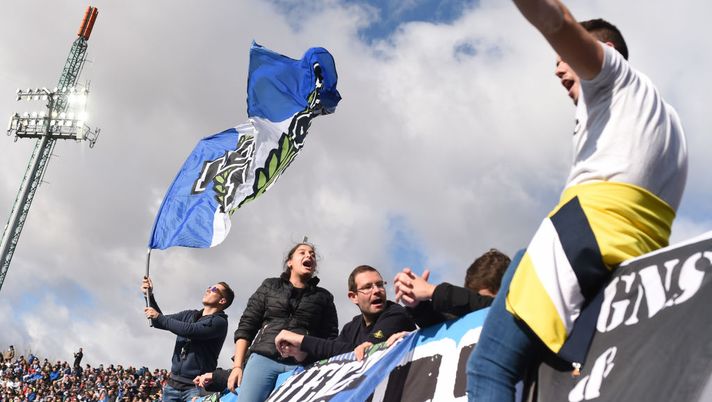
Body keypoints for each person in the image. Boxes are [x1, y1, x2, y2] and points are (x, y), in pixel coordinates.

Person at [468, 1, 688, 400]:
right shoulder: (668, 124)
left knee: (488, 368)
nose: (557, 68)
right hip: (636, 260)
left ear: (606, 52)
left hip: (581, 238)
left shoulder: (616, 77)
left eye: (564, 57)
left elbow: (557, 20)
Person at [225, 242, 338, 402]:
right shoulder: (270, 286)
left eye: (312, 254)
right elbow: (247, 325)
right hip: (263, 359)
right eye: (302, 252)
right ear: (289, 262)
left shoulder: (324, 297)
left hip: (301, 365)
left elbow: (330, 337)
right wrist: (237, 366)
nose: (309, 256)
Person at [274, 265, 417, 362]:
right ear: (353, 296)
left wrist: (301, 340)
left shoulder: (397, 314)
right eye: (367, 287)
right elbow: (334, 352)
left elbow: (366, 349)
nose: (377, 290)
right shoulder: (351, 327)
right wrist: (302, 354)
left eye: (380, 284)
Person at [142, 278, 234, 402]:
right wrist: (149, 296)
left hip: (196, 388)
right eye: (209, 287)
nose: (208, 289)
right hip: (172, 386)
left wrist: (158, 316)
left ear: (222, 300)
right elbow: (158, 322)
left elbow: (190, 330)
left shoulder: (219, 322)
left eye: (214, 289)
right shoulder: (189, 315)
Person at [394, 249, 510, 328]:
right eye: (475, 297)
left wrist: (431, 291)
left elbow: (499, 310)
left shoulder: (520, 315)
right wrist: (418, 306)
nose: (478, 312)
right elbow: (443, 324)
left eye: (481, 299)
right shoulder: (467, 320)